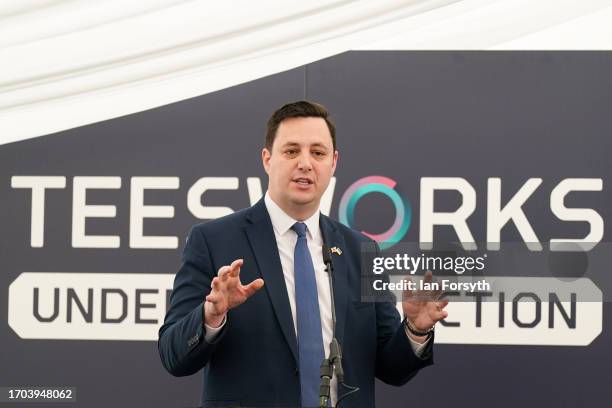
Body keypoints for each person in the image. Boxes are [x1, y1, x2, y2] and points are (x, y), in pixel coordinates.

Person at [158, 101, 449, 408]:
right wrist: (211, 316)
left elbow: (392, 368)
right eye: (292, 151)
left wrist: (415, 330)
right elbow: (173, 356)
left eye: (318, 153)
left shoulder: (360, 251)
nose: (305, 163)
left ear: (333, 162)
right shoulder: (213, 241)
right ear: (267, 159)